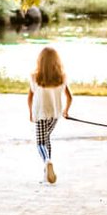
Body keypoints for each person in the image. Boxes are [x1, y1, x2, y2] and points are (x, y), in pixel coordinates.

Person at [27, 46, 73, 183]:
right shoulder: (62, 77)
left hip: (40, 113)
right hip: (55, 114)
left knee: (40, 143)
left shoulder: (35, 77)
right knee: (47, 138)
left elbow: (29, 97)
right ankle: (47, 173)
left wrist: (30, 113)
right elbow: (69, 97)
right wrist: (66, 111)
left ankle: (47, 161)